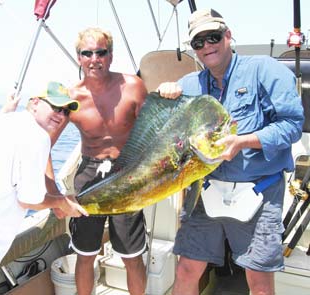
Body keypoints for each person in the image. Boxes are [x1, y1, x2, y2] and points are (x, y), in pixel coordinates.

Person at [157, 8, 304, 295]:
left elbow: (292, 125)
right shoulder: (189, 85)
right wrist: (165, 91)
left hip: (258, 192)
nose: (206, 46)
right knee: (187, 269)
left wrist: (243, 142)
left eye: (212, 37)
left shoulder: (264, 69)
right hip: (205, 190)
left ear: (228, 35)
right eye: (198, 42)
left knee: (259, 282)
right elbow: (161, 130)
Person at [0, 81, 88, 295]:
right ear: (34, 103)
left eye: (65, 111)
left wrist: (5, 110)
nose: (60, 115)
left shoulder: (5, 121)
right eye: (54, 107)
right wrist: (63, 202)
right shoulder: (38, 137)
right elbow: (29, 200)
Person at [47, 27, 148, 295]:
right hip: (89, 174)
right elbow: (42, 145)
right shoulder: (71, 98)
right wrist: (53, 194)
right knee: (85, 254)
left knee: (132, 256)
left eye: (101, 52)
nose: (94, 59)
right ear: (78, 57)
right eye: (87, 53)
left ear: (111, 56)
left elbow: (154, 133)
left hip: (127, 175)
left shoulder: (133, 86)